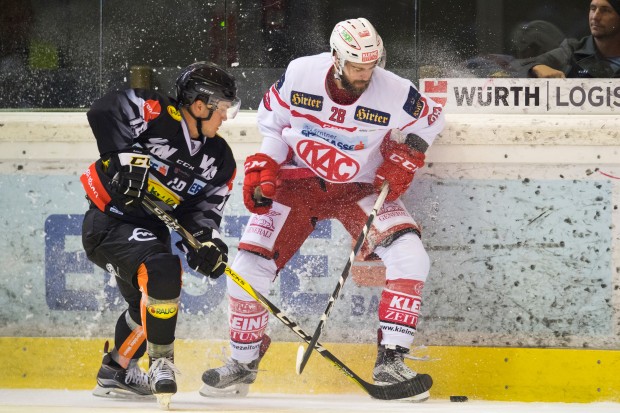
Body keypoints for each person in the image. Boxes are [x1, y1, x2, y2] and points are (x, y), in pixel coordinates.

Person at [199, 18, 445, 401]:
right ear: (335, 58)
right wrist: (266, 162)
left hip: (359, 189)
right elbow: (275, 124)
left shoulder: (395, 90)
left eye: (371, 65)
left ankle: (390, 361)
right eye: (357, 67)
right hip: (297, 185)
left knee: (411, 256)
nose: (366, 74)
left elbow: (431, 119)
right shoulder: (301, 73)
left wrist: (408, 154)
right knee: (246, 269)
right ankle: (243, 361)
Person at [80, 61, 240, 406]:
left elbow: (205, 211)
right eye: (222, 109)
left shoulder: (220, 159)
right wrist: (120, 160)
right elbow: (105, 111)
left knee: (151, 302)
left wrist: (206, 242)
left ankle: (117, 371)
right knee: (164, 269)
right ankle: (161, 362)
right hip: (110, 223)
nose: (225, 117)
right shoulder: (155, 113)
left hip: (151, 233)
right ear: (199, 105)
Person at [521, 0, 620, 78]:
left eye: (605, 10)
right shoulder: (572, 52)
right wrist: (536, 68)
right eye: (593, 8)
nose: (595, 17)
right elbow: (514, 67)